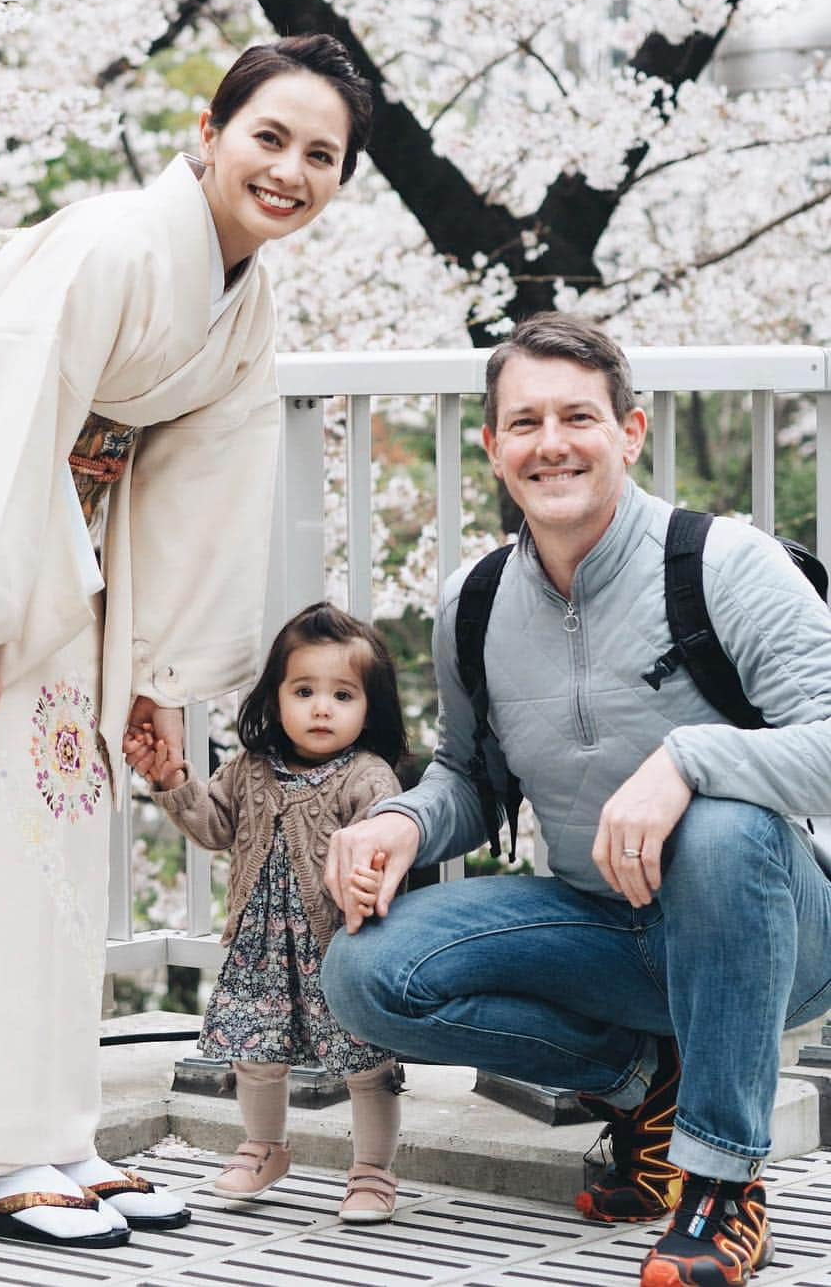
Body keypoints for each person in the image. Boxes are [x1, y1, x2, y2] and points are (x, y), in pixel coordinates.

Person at [0, 36, 373, 1251]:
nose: (288, 170)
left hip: (73, 575)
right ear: (209, 133)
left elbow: (208, 487)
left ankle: (55, 1131)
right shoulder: (114, 245)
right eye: (268, 137)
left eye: (320, 155)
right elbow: (1, 413)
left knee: (61, 862)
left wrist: (167, 680)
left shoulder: (241, 295)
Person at [320, 313, 831, 1287]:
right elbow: (468, 779)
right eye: (524, 423)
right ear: (493, 448)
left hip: (776, 933)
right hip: (600, 925)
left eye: (578, 417)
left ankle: (722, 1186)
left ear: (629, 433)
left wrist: (689, 759)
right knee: (366, 973)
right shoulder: (471, 600)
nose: (550, 443)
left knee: (719, 824)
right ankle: (649, 1089)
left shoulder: (725, 564)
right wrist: (401, 818)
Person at [125, 603, 407, 1222]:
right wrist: (174, 780)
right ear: (275, 697)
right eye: (303, 690)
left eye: (343, 693)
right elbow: (215, 825)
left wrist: (369, 878)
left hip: (339, 946)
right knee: (255, 1053)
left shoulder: (369, 777)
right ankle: (264, 1147)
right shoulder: (251, 768)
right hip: (259, 947)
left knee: (365, 1064)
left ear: (370, 706)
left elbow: (387, 846)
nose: (321, 707)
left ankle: (373, 1172)